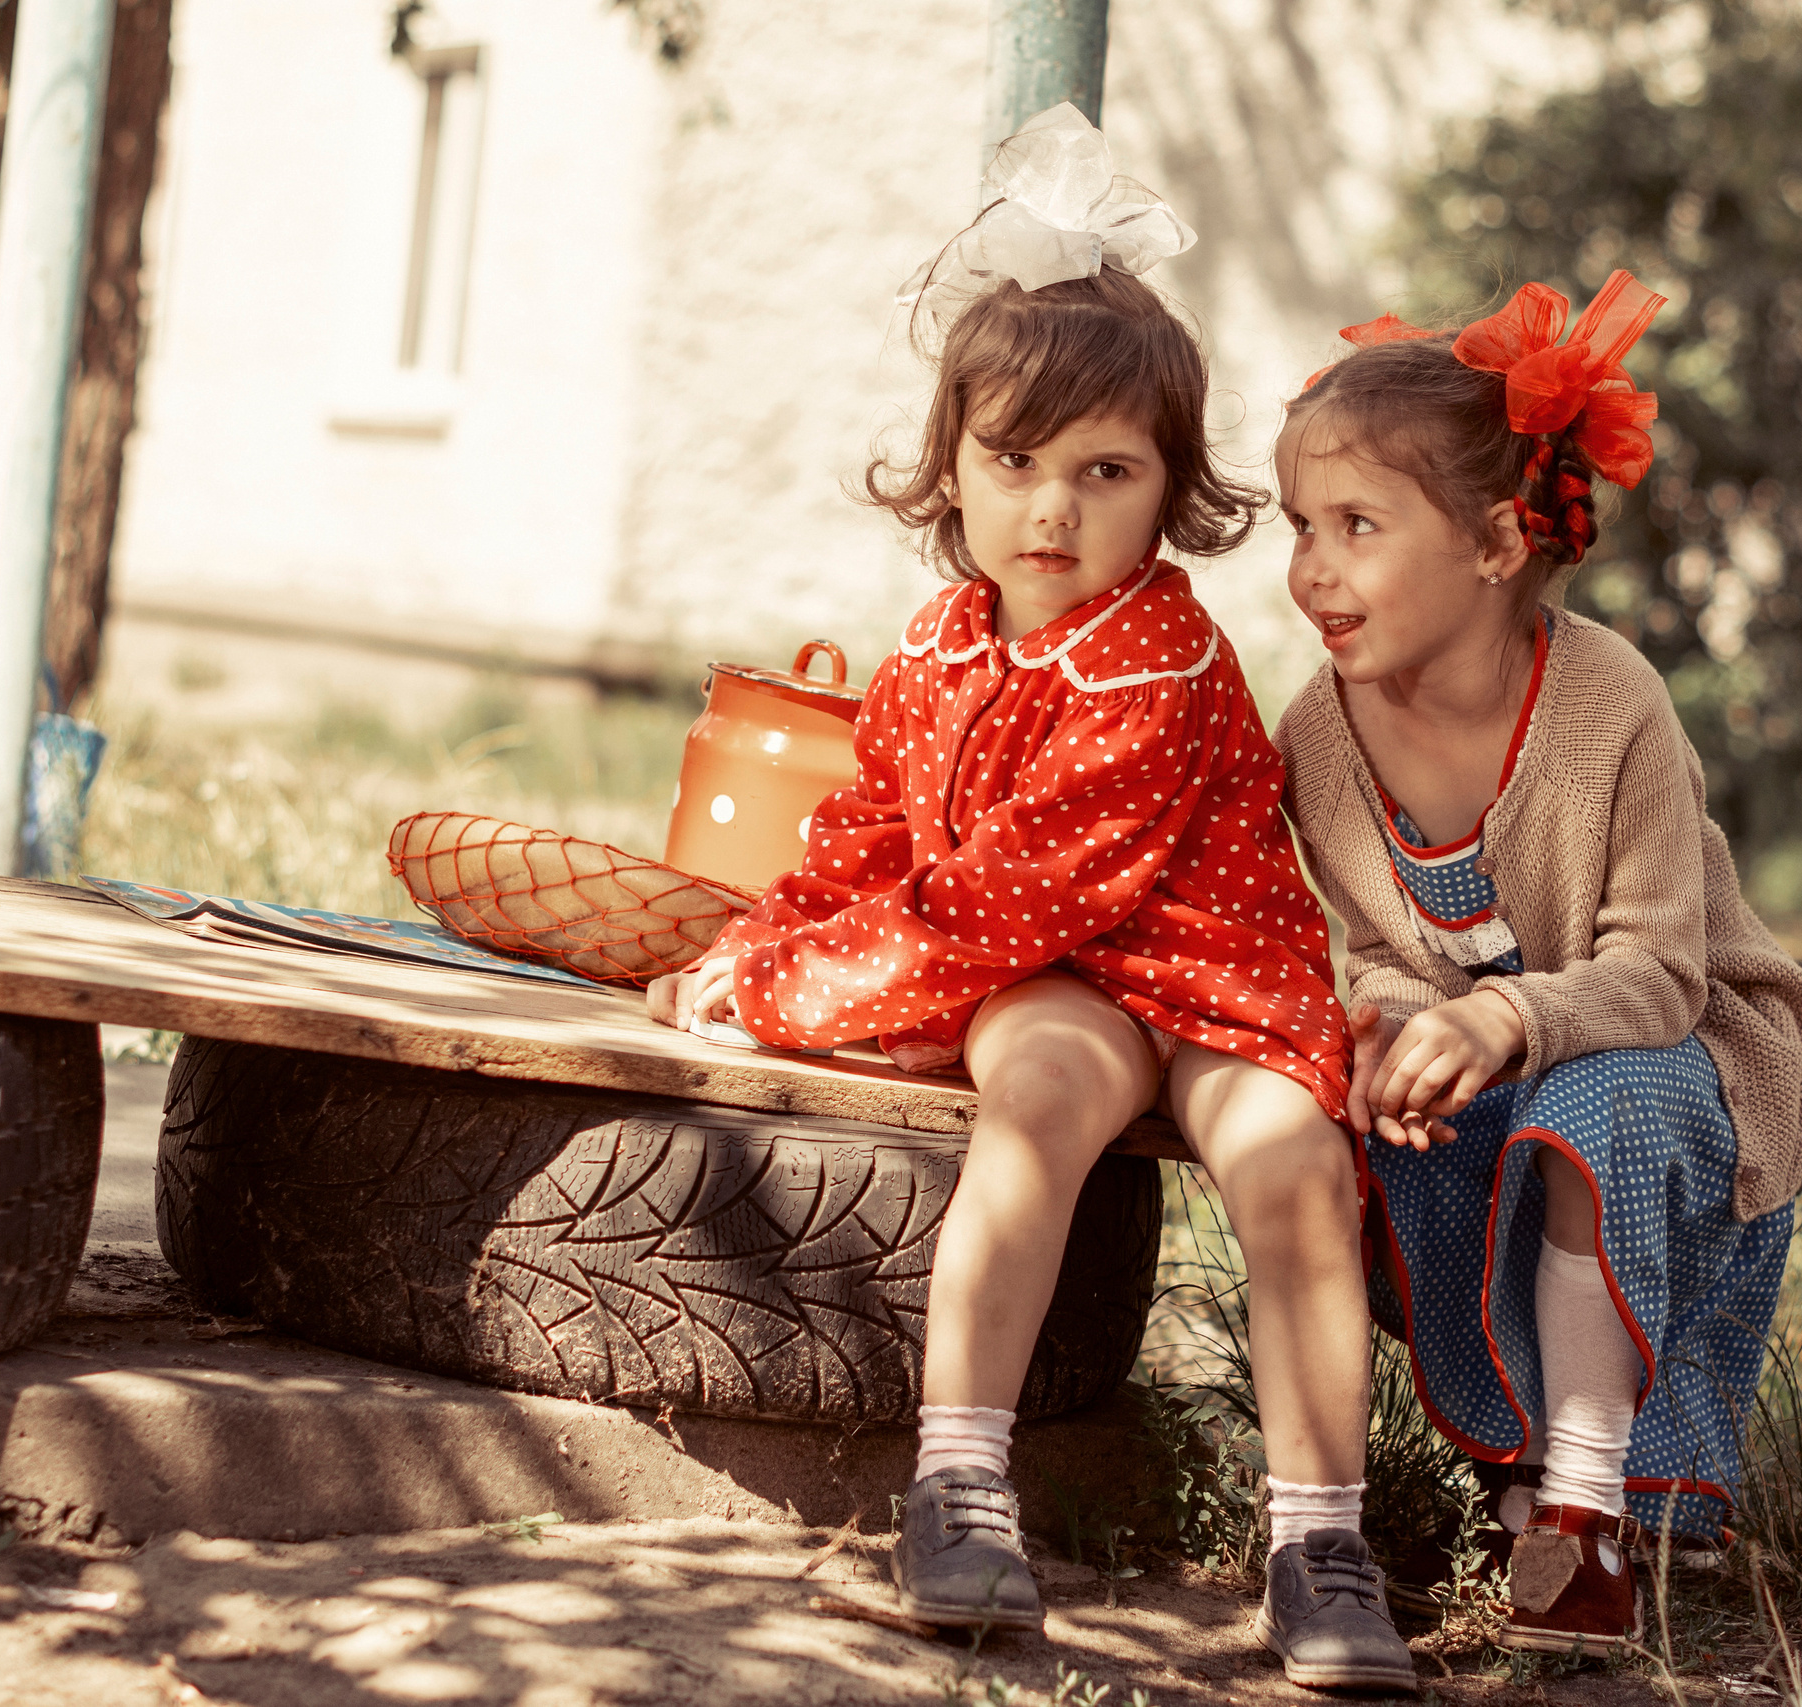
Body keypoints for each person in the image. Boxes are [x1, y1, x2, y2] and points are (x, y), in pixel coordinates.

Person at [646, 106, 1422, 1693]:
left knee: (1291, 1161)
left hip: (1213, 976)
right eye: (1013, 462)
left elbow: (1001, 899)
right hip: (1063, 982)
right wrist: (761, 941)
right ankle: (959, 1478)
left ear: (1172, 489)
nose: (1051, 511)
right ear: (952, 465)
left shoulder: (1154, 662)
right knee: (1043, 1095)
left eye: (1105, 472)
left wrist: (792, 993)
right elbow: (873, 829)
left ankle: (1320, 1539)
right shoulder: (941, 641)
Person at [1271, 273, 1802, 1658]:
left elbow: (1662, 977)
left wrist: (1505, 1018)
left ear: (1495, 542)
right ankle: (1517, 1467)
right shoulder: (1321, 736)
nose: (1313, 569)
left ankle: (1585, 1514)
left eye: (1356, 526)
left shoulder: (1607, 703)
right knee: (1378, 1124)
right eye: (1300, 527)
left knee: (1596, 1107)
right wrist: (1393, 1027)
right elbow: (1375, 949)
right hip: (1505, 1060)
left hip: (1683, 1052)